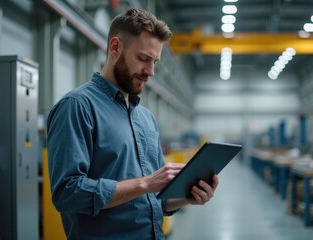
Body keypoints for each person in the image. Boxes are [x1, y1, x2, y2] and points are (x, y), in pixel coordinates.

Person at [46, 8, 218, 240]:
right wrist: (145, 183)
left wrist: (187, 196)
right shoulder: (77, 106)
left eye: (155, 61)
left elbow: (156, 200)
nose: (151, 72)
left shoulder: (145, 118)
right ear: (115, 47)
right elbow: (67, 194)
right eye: (144, 59)